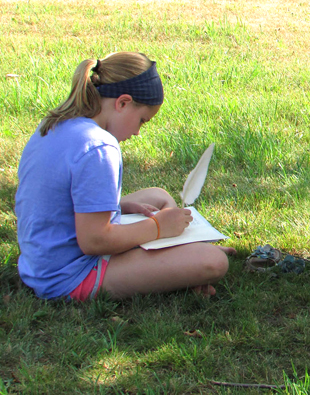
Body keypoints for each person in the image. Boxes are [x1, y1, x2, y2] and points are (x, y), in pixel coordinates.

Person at [15, 52, 234, 300]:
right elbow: (95, 241)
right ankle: (184, 259)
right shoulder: (100, 147)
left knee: (158, 196)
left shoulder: (56, 124)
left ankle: (180, 255)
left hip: (40, 264)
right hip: (70, 276)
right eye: (142, 121)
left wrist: (118, 206)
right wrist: (157, 227)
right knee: (214, 262)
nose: (138, 132)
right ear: (123, 103)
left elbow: (56, 199)